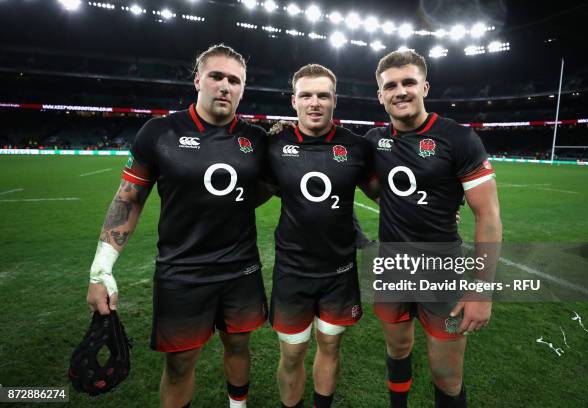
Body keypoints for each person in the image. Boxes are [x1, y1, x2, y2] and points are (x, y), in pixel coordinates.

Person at [86, 44, 269, 408]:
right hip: (182, 272)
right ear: (198, 79)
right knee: (180, 364)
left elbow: (265, 190)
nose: (224, 86)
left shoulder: (257, 140)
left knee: (239, 346)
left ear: (243, 89)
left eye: (235, 80)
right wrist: (101, 268)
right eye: (216, 76)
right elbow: (129, 198)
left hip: (242, 270)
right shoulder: (159, 132)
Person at [364, 50, 502, 407]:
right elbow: (371, 185)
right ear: (380, 95)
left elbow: (488, 216)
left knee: (447, 375)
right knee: (397, 350)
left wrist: (483, 290)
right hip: (392, 269)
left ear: (424, 86)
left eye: (408, 82)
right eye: (390, 85)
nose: (401, 91)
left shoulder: (457, 138)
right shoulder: (373, 140)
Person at [264, 64, 376, 408]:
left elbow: (386, 194)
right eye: (307, 95)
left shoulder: (356, 147)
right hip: (292, 271)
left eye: (323, 95)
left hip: (339, 272)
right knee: (293, 353)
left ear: (334, 101)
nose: (315, 102)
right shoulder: (273, 144)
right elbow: (246, 190)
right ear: (294, 101)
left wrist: (443, 204)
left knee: (330, 346)